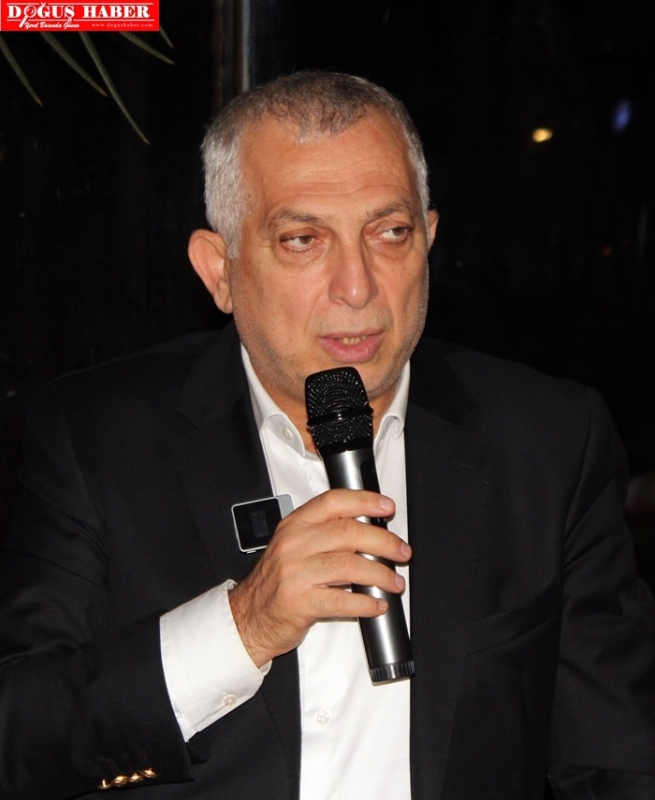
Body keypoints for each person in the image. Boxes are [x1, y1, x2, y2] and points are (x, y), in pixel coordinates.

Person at [0, 71, 654, 800]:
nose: (357, 285)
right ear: (220, 271)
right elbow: (18, 735)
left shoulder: (547, 440)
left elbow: (618, 757)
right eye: (303, 240)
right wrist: (242, 626)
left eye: (390, 233)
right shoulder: (97, 437)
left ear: (429, 240)